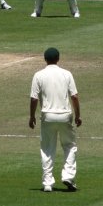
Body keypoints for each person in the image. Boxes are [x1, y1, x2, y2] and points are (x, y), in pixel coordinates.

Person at [29, 47, 82, 192]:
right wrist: (78, 115)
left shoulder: (38, 75)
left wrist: (32, 116)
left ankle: (47, 183)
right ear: (58, 59)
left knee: (47, 149)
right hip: (65, 115)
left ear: (45, 59)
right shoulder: (66, 74)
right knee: (69, 146)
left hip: (47, 116)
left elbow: (34, 98)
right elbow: (74, 96)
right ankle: (68, 176)